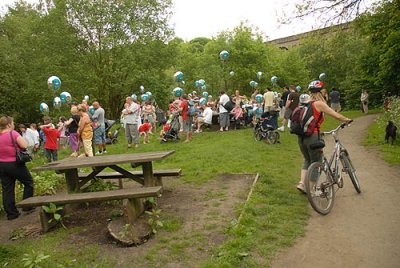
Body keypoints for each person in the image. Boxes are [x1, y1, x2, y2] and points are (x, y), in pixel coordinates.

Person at [296, 80, 352, 193]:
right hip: (313, 136)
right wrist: (347, 120)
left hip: (301, 137)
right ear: (321, 92)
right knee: (317, 162)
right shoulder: (319, 104)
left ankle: (302, 183)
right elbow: (335, 115)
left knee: (307, 159)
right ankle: (310, 189)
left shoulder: (304, 103)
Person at [0, 116, 34, 220]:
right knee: (29, 182)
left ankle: (11, 213)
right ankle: (27, 206)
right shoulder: (13, 133)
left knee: (7, 189)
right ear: (9, 124)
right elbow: (24, 145)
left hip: (2, 165)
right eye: (13, 122)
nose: (14, 124)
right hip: (15, 164)